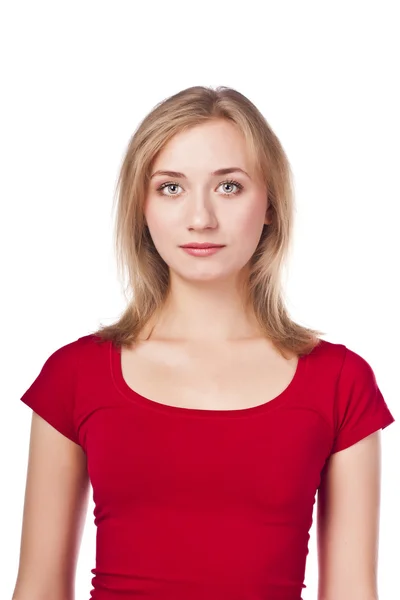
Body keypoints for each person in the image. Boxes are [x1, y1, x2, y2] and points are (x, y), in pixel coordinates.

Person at [13, 85, 395, 600]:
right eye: (171, 187)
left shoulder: (339, 382)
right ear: (141, 206)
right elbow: (38, 589)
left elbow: (352, 592)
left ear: (270, 206)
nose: (201, 219)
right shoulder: (74, 374)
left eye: (229, 187)